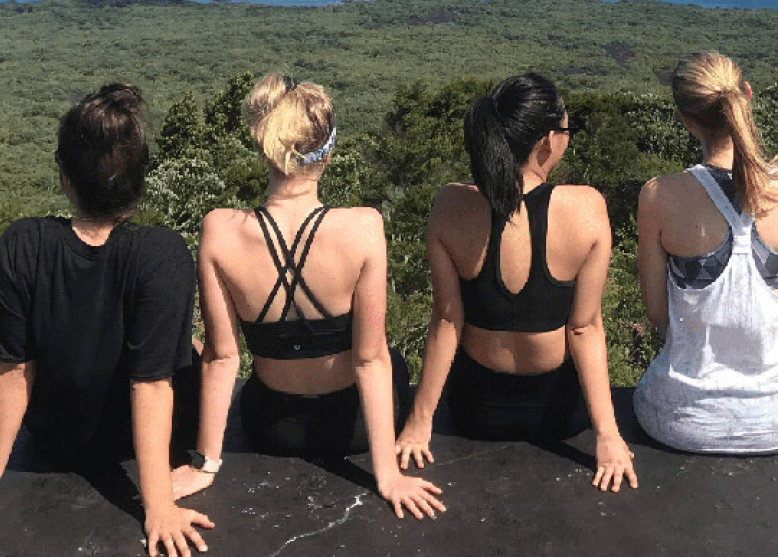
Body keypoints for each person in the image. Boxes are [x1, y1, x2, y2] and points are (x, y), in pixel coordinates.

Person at [169, 74, 445, 521]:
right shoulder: (363, 227)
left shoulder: (220, 230)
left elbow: (222, 359)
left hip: (272, 426)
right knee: (391, 358)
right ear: (328, 153)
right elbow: (369, 360)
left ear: (263, 149)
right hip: (352, 428)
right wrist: (387, 475)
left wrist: (205, 464)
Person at [394, 73, 638, 493]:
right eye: (565, 130)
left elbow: (447, 321)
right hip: (561, 415)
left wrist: (419, 423)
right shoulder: (585, 208)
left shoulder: (451, 205)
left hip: (475, 410)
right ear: (547, 141)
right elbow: (584, 328)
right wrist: (608, 435)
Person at [0, 84, 212, 557]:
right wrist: (159, 507)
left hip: (54, 439)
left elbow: (14, 373)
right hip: (124, 443)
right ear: (139, 181)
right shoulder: (161, 254)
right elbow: (151, 383)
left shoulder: (22, 243)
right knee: (192, 347)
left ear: (66, 180)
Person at [633, 51, 778, 453]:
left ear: (687, 120)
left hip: (681, 419)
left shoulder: (659, 196)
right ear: (747, 95)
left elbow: (657, 314)